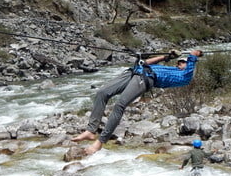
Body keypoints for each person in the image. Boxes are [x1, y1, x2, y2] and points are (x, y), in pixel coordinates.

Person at [72, 49, 203, 155]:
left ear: (188, 65)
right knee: (102, 93)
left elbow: (190, 65)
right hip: (135, 72)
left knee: (120, 105)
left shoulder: (184, 77)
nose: (179, 63)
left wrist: (194, 55)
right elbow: (144, 63)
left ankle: (100, 142)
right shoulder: (170, 68)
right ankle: (90, 131)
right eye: (179, 61)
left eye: (182, 62)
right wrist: (166, 56)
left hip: (145, 78)